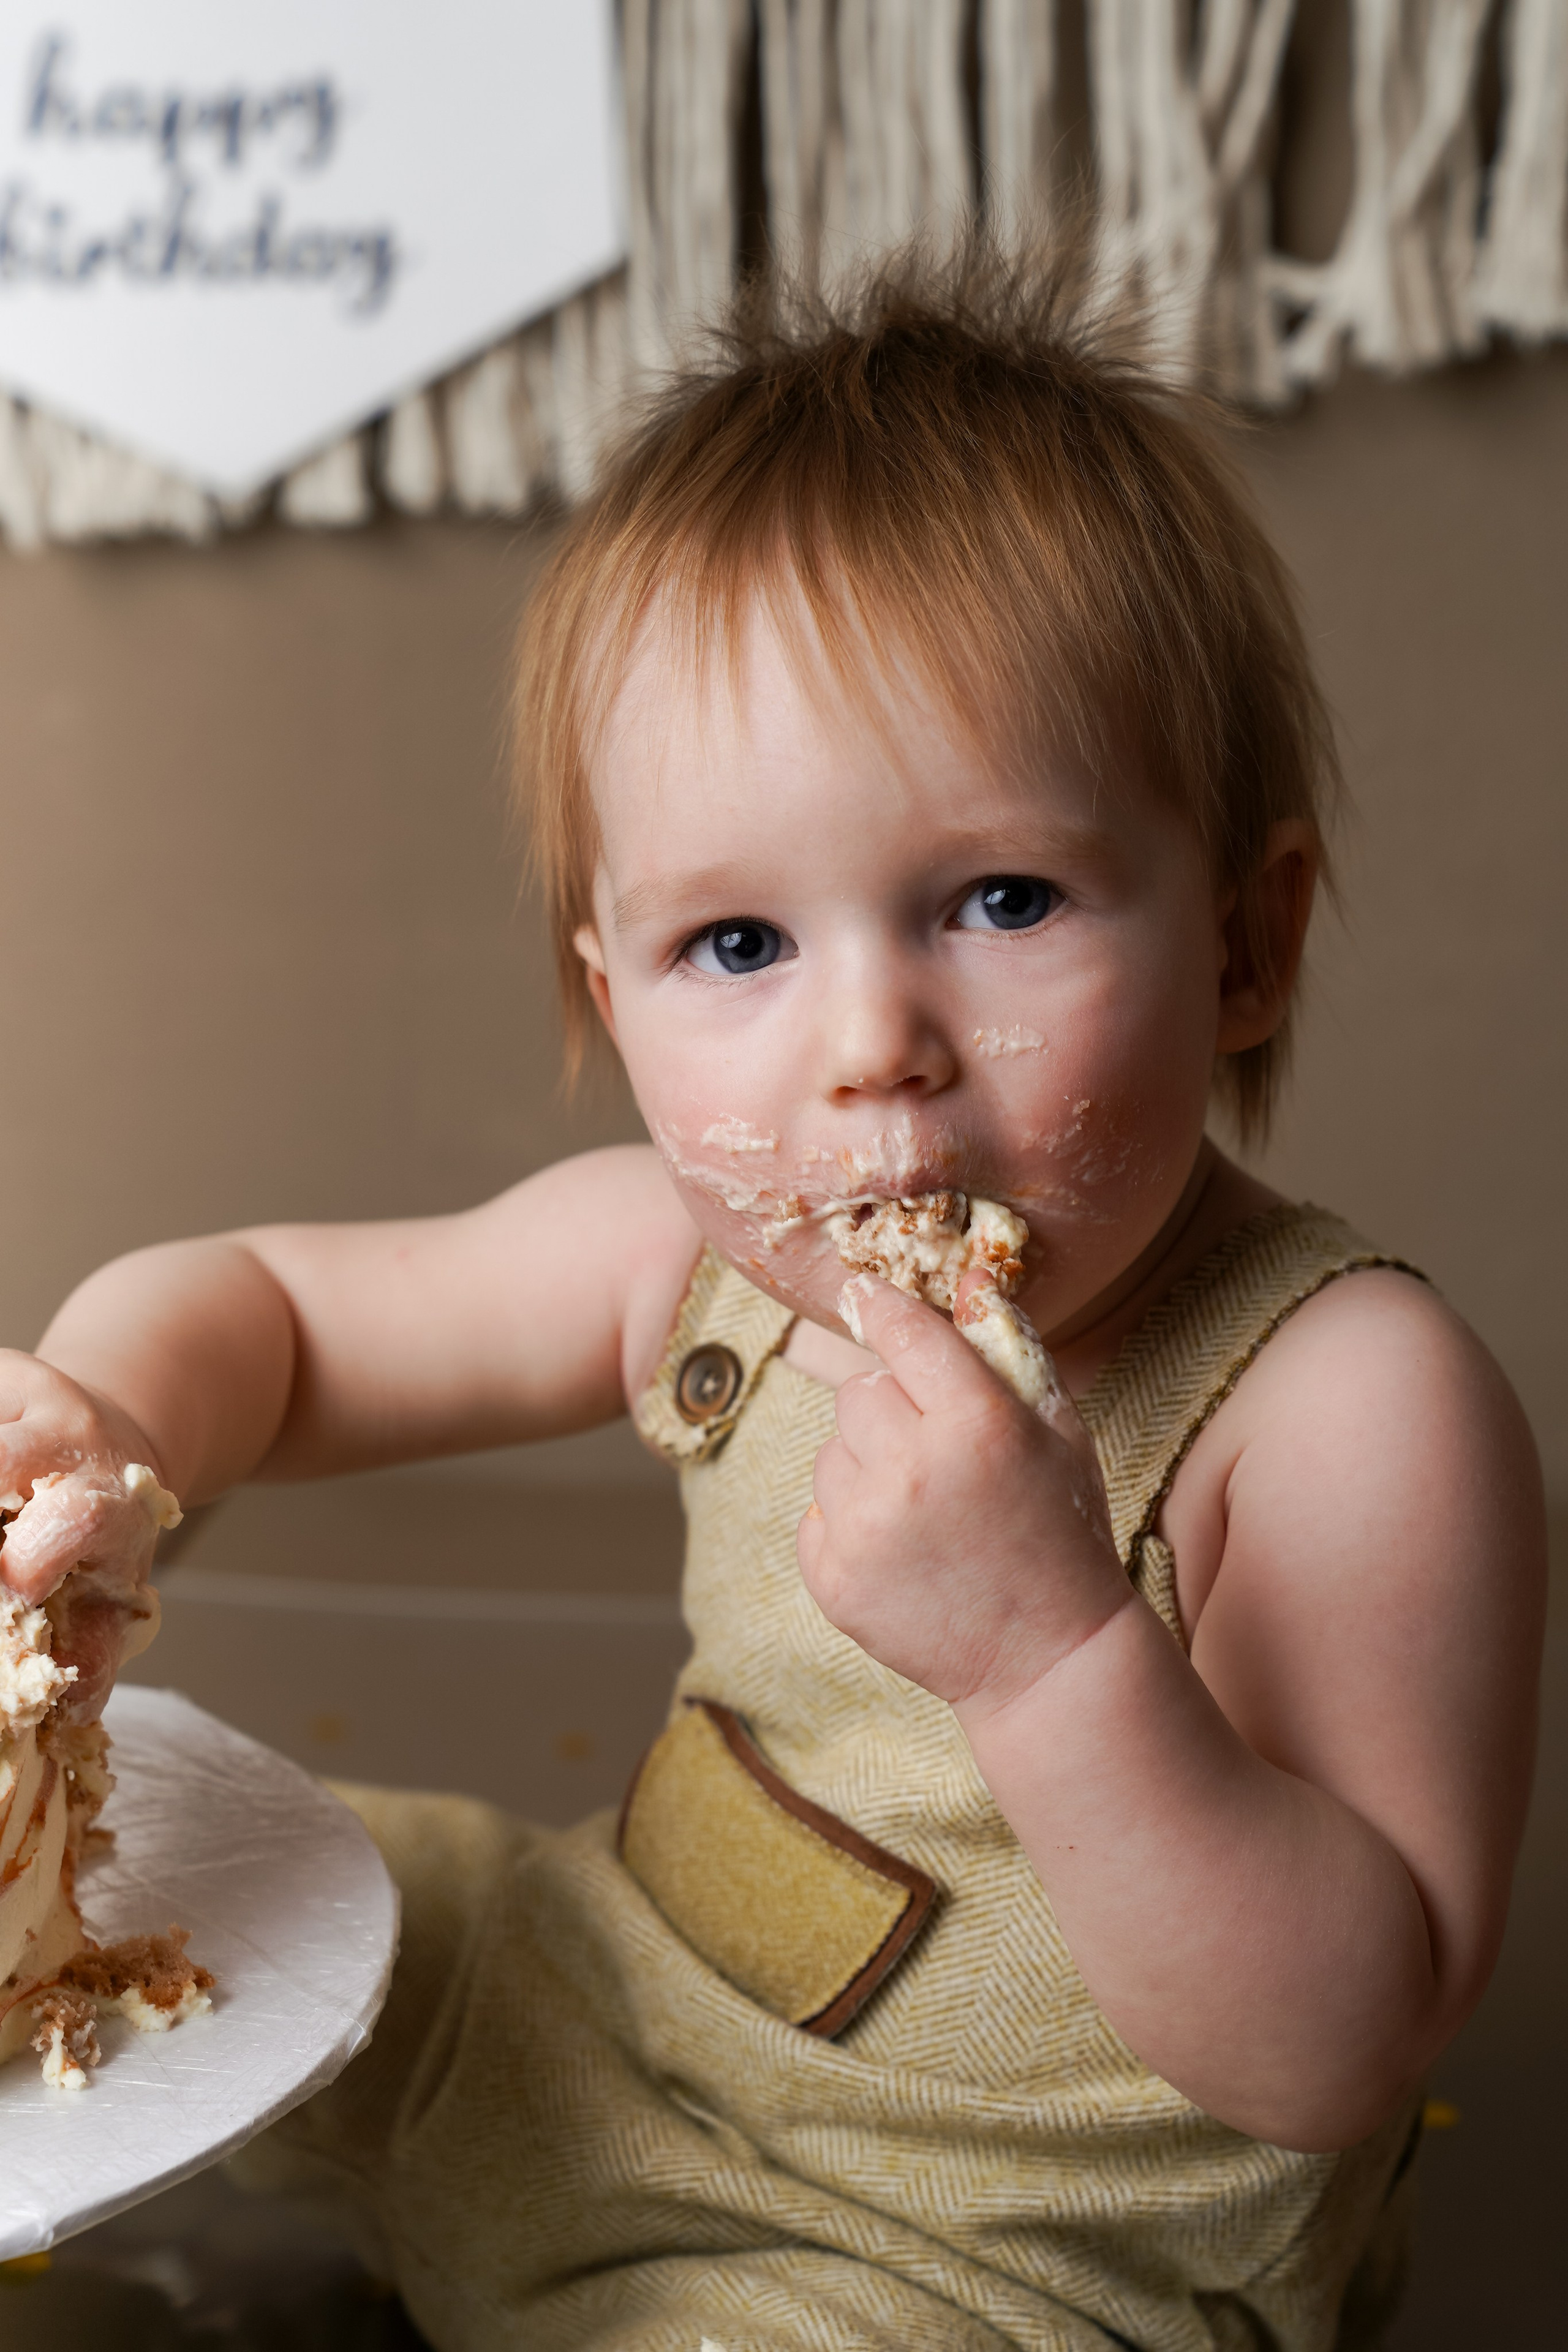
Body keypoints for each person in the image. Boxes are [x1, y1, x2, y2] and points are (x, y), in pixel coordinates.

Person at [0, 254, 1545, 2351]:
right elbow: (277, 1316)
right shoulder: (691, 1251)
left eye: (1002, 901)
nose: (872, 1045)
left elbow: (1335, 2045)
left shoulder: (1346, 1403)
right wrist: (100, 1417)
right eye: (737, 943)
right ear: (606, 992)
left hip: (961, 2264)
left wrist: (1050, 1650)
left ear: (1249, 942)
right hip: (592, 2015)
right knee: (177, 1915)